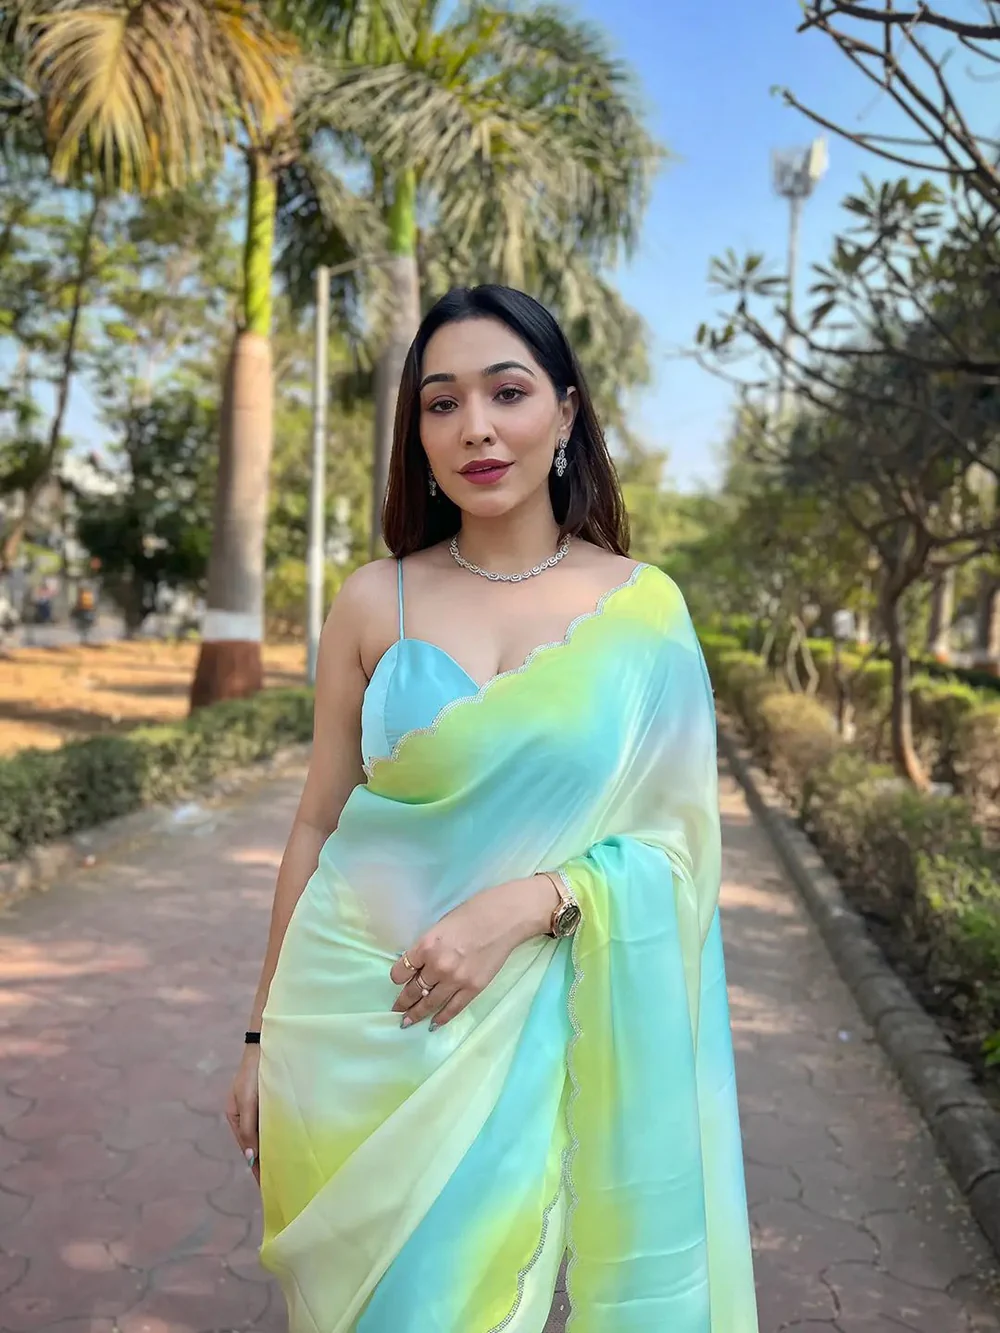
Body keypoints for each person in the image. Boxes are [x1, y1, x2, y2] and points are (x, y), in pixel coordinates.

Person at [226, 285, 758, 1331]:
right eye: (441, 402)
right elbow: (318, 821)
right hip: (349, 1024)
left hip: (527, 1032)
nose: (474, 425)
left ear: (565, 414)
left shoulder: (643, 612)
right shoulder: (374, 598)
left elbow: (681, 849)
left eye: (506, 392)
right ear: (417, 433)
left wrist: (533, 900)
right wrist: (258, 1036)